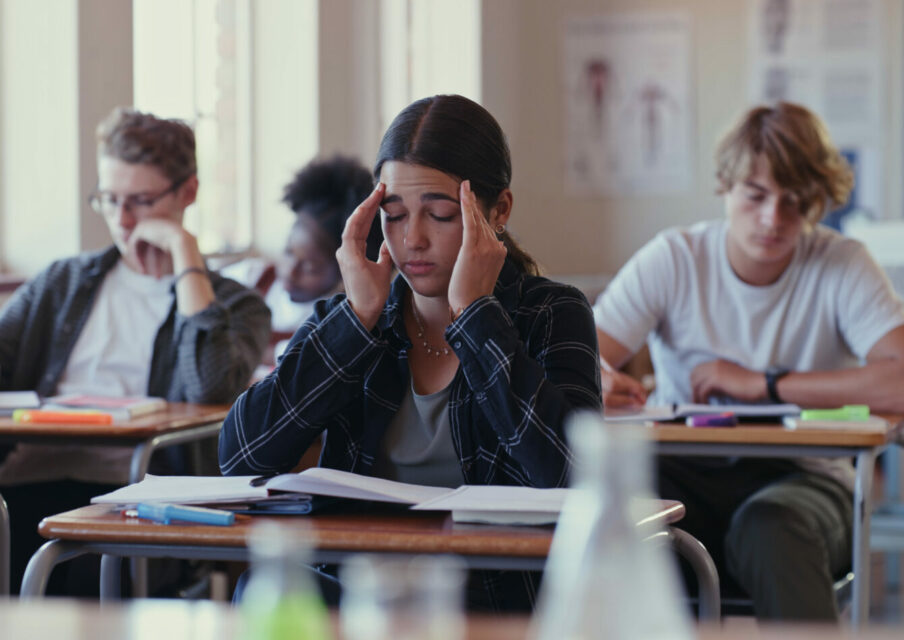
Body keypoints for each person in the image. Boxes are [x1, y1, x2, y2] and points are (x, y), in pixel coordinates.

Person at [219, 94, 602, 610]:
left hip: (492, 599)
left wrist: (475, 316)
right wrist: (357, 321)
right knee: (263, 594)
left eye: (440, 215)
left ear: (499, 211)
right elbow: (240, 456)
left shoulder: (552, 312)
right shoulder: (354, 317)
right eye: (394, 215)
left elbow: (573, 476)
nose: (413, 239)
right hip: (361, 593)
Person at [593, 102, 904, 620]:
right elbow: (580, 359)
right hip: (684, 473)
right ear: (726, 185)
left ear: (818, 201)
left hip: (806, 480)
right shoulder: (675, 258)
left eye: (795, 201)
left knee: (773, 526)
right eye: (757, 195)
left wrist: (765, 384)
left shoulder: (841, 263)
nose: (773, 219)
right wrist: (596, 378)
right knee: (615, 506)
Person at [0, 107, 271, 594]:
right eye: (109, 200)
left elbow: (211, 387)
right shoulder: (64, 282)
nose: (122, 221)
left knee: (80, 570)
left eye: (141, 202)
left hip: (139, 489)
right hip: (28, 475)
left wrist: (185, 257)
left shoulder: (236, 303)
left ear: (187, 193)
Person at [221, 155, 381, 362]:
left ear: (342, 272)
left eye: (310, 267)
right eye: (288, 252)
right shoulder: (252, 277)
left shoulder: (335, 319)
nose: (290, 270)